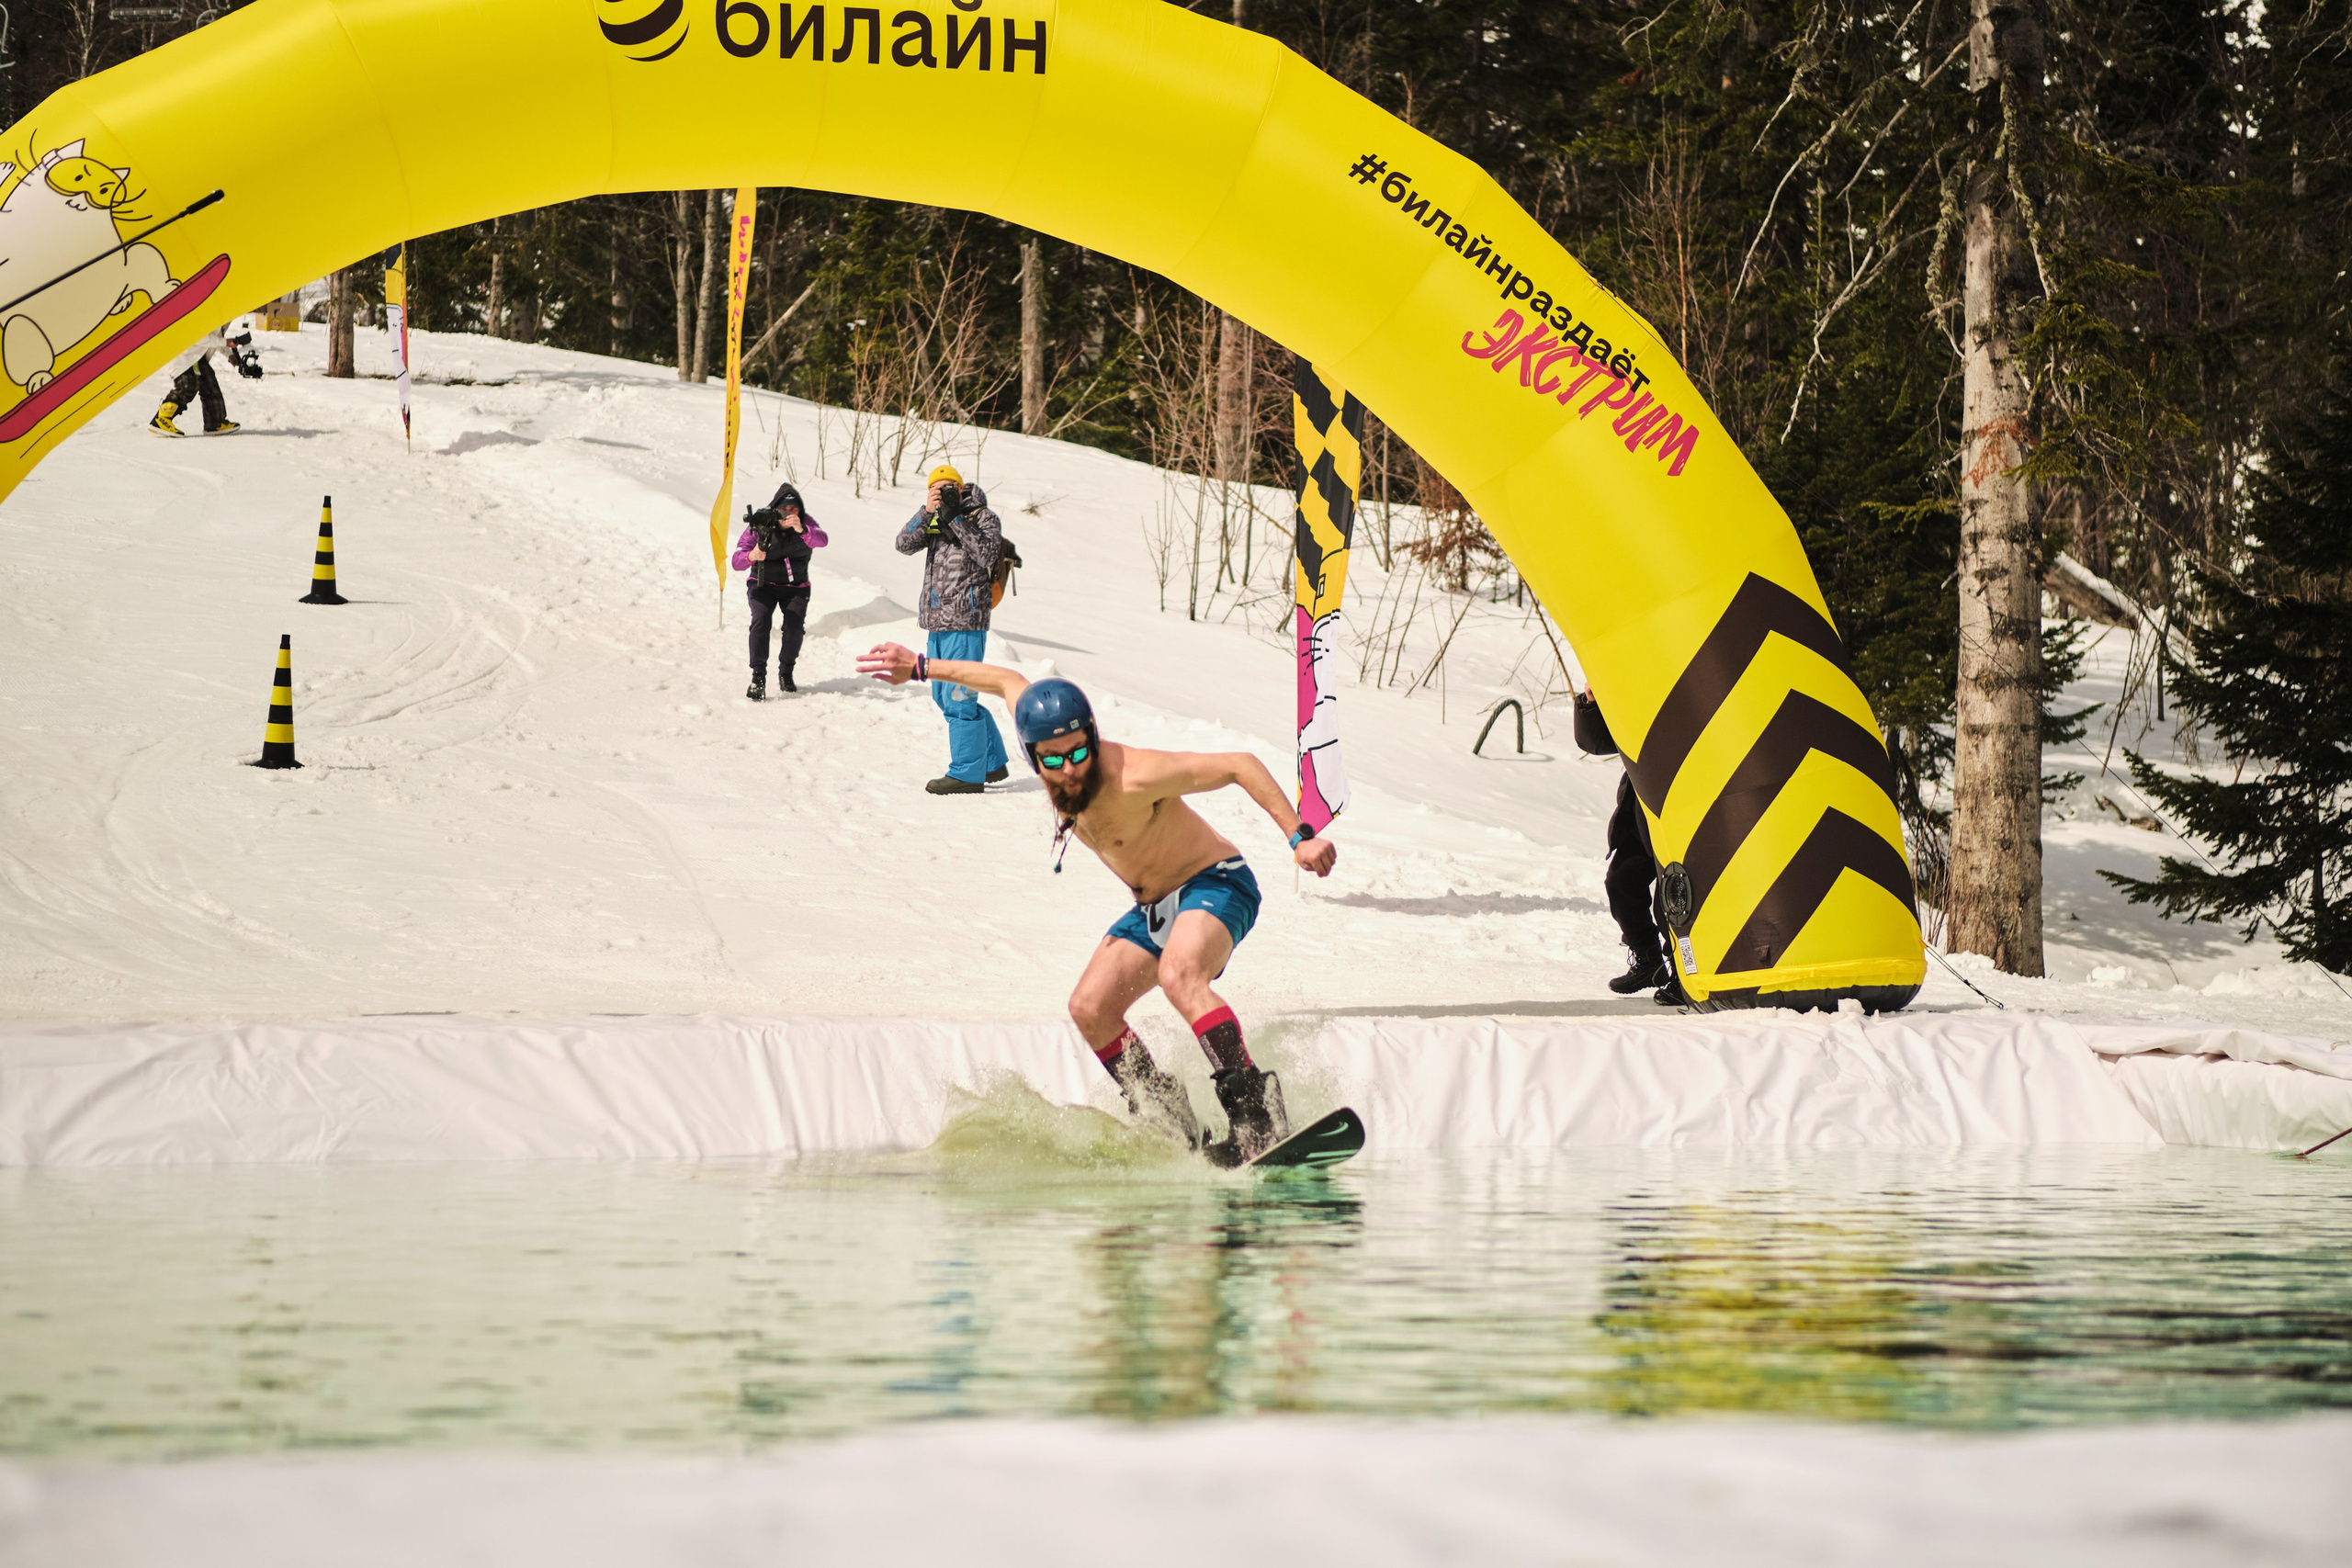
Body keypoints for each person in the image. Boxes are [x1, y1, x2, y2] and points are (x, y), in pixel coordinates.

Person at [854, 642, 1339, 1163]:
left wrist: (1299, 836)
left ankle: (1256, 1114)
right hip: (1155, 907)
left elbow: (1240, 764)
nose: (1069, 771)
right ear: (1032, 751)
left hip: (1216, 883)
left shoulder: (1132, 775)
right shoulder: (1044, 737)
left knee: (1180, 976)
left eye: (1080, 753)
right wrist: (922, 668)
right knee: (1090, 1009)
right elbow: (1002, 679)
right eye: (1054, 760)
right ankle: (1170, 1120)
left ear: (1092, 737)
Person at [895, 464, 1009, 794]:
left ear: (961, 489)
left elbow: (986, 553)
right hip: (936, 622)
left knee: (959, 697)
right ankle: (990, 761)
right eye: (937, 488)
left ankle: (966, 774)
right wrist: (926, 511)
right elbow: (903, 544)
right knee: (942, 696)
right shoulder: (931, 518)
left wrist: (955, 516)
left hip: (966, 620)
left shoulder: (981, 517)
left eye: (950, 487)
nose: (944, 492)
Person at [1573, 687, 1686, 1005]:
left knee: (1674, 897)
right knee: (1621, 882)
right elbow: (1595, 742)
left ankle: (1685, 972)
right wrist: (1591, 702)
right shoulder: (1635, 684)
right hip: (1641, 807)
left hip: (1681, 806)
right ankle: (1649, 962)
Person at [733, 481, 828, 700]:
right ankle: (758, 677)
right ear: (775, 509)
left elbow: (823, 539)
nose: (789, 513)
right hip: (762, 583)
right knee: (761, 619)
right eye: (784, 509)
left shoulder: (806, 524)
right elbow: (737, 561)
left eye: (794, 509)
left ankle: (786, 672)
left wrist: (802, 529)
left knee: (794, 627)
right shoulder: (761, 523)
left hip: (796, 586)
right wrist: (751, 556)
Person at [151, 319, 259, 436]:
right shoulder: (209, 311)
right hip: (186, 355)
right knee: (188, 385)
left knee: (210, 385)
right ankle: (162, 418)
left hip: (198, 357)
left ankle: (215, 424)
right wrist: (225, 342)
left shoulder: (224, 316)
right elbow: (198, 336)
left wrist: (230, 354)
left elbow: (215, 338)